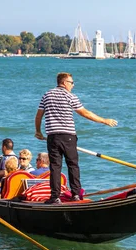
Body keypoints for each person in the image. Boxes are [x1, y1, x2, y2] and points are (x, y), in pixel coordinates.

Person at [35, 72, 118, 204]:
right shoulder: (70, 96)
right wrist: (104, 121)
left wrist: (38, 132)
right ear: (64, 82)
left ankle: (55, 197)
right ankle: (75, 195)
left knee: (55, 167)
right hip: (68, 136)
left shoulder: (46, 95)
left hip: (53, 136)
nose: (73, 85)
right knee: (73, 165)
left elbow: (39, 116)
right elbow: (85, 113)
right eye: (71, 82)